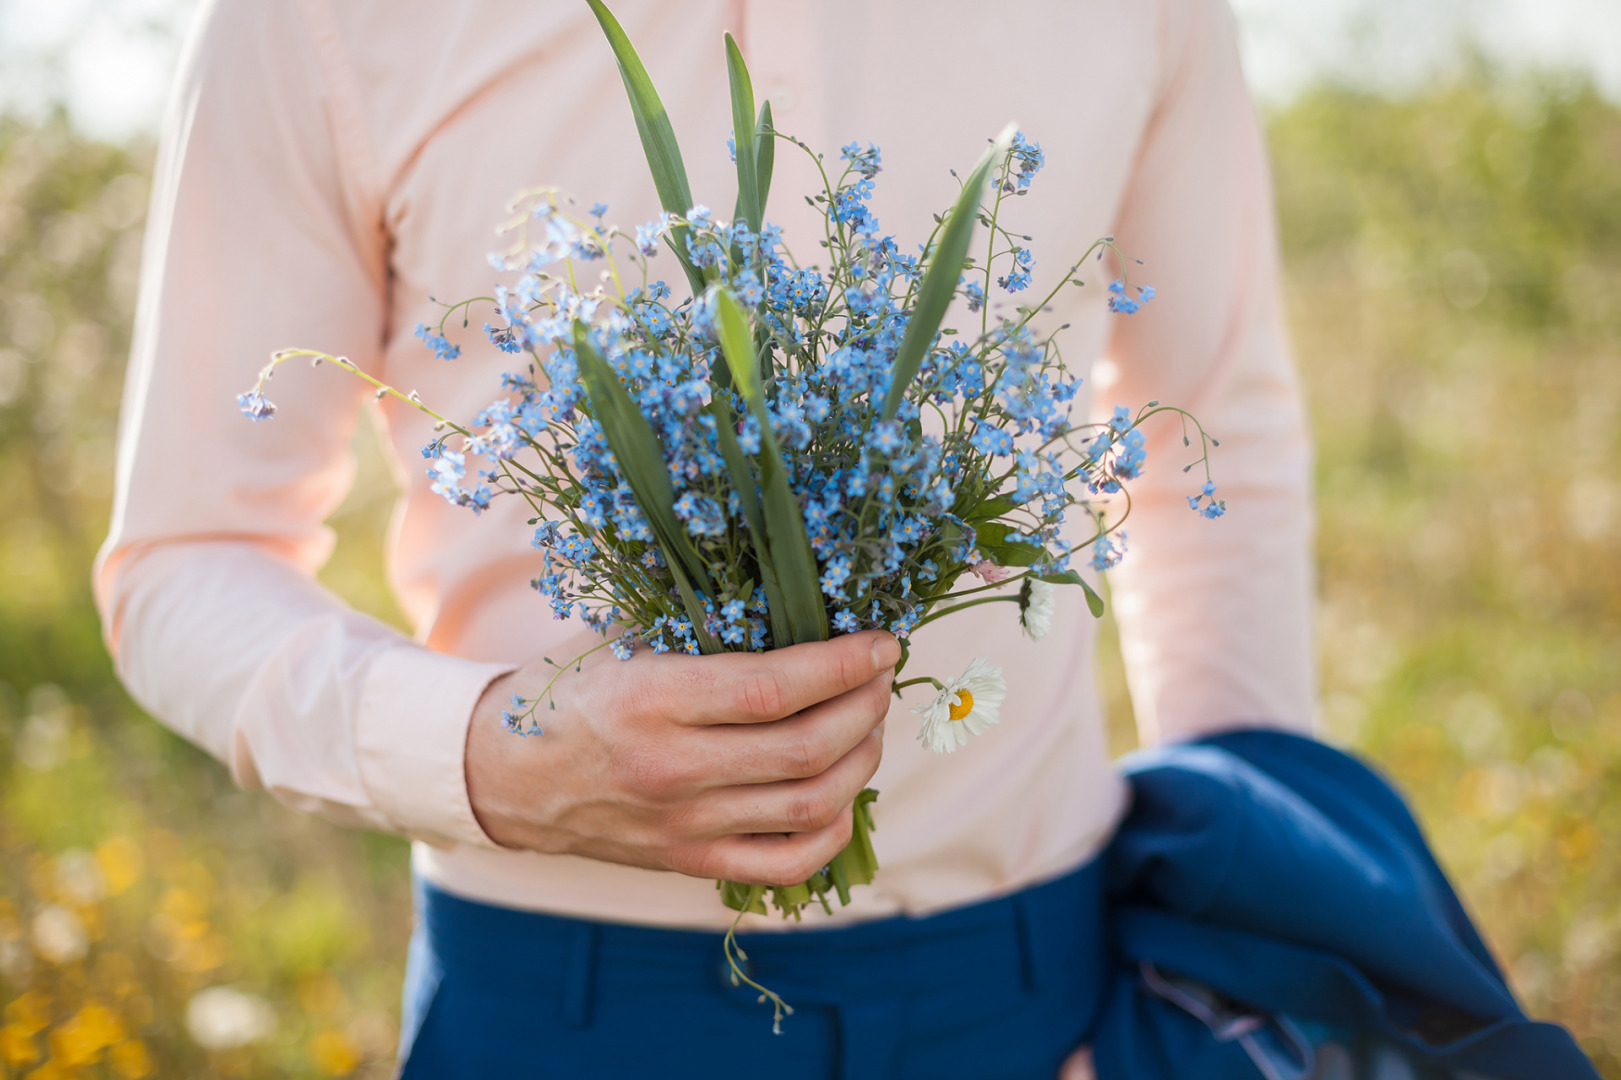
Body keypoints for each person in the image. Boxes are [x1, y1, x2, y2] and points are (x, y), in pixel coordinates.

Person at [94, 1, 1313, 1076]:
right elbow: (187, 555)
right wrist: (487, 758)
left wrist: (1228, 963)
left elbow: (1219, 448)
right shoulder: (315, 18)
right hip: (558, 1006)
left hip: (1041, 994)